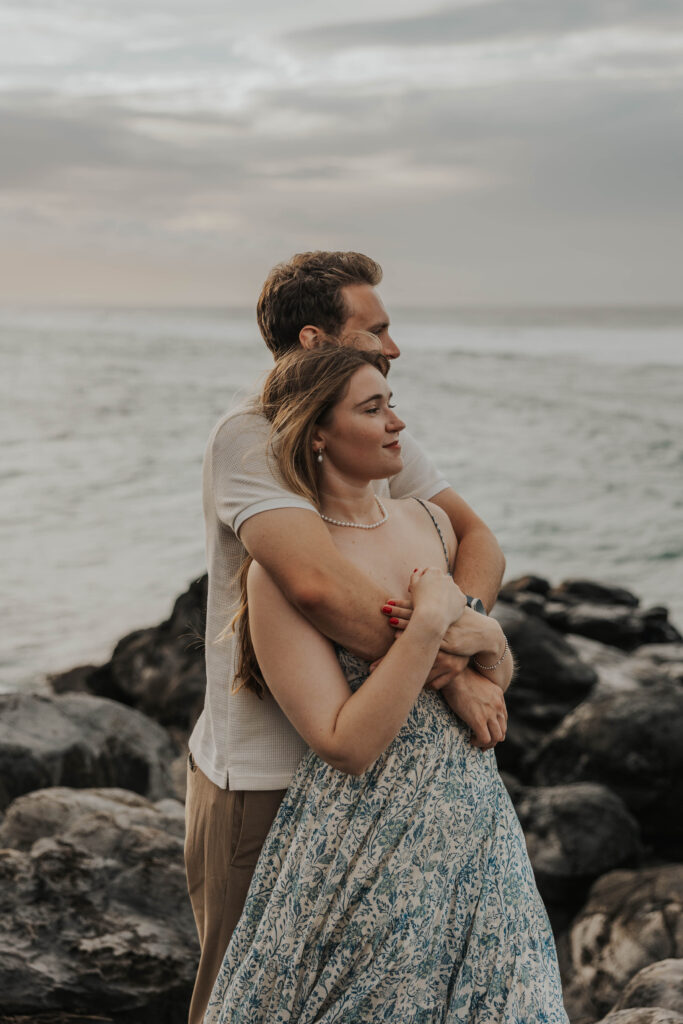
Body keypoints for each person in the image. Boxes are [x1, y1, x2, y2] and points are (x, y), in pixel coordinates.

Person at [184, 251, 508, 1024]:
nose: (393, 348)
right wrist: (453, 670)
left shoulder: (373, 428)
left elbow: (476, 539)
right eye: (377, 331)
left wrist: (454, 625)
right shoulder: (252, 437)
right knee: (243, 997)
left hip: (382, 782)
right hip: (270, 775)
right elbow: (316, 585)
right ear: (315, 341)